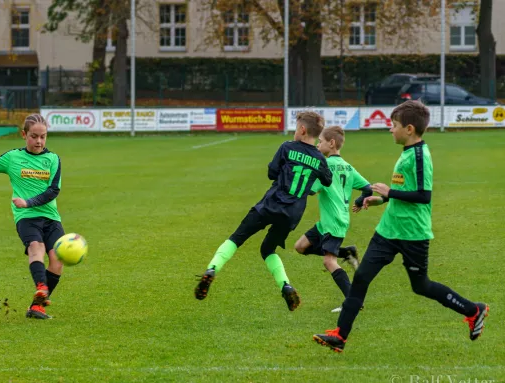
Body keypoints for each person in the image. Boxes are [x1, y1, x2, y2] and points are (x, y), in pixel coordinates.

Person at [312, 100, 488, 352]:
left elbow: (423, 196)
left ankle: (474, 310)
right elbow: (406, 190)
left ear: (409, 129)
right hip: (388, 230)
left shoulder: (419, 156)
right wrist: (380, 199)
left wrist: (390, 192)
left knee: (421, 285)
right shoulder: (406, 152)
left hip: (412, 233)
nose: (390, 129)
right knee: (361, 277)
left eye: (393, 125)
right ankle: (340, 336)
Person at [194, 111, 333, 311]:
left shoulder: (287, 147)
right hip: (292, 214)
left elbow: (272, 172)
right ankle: (286, 285)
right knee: (267, 250)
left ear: (302, 130)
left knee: (237, 238)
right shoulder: (320, 158)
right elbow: (327, 180)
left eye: (296, 128)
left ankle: (212, 269)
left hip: (270, 205)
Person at [0, 114, 64, 320]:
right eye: (34, 136)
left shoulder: (53, 159)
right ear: (24, 135)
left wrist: (29, 201)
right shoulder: (13, 158)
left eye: (43, 137)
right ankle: (41, 286)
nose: (39, 141)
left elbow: (53, 191)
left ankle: (37, 307)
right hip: (26, 217)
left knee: (57, 260)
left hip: (51, 217)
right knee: (37, 248)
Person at [293, 126, 372, 312]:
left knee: (329, 262)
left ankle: (354, 302)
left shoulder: (325, 166)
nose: (318, 144)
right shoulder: (348, 167)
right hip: (329, 221)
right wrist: (360, 201)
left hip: (334, 222)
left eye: (320, 141)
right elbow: (368, 188)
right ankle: (347, 253)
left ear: (332, 143)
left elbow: (310, 190)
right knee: (300, 247)